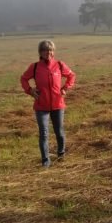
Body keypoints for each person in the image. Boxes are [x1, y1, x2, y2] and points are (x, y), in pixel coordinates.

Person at [20, 39, 76, 167]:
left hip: (58, 105)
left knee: (59, 131)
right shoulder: (34, 67)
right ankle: (45, 161)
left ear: (53, 52)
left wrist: (66, 88)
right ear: (40, 52)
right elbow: (23, 79)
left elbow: (72, 75)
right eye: (45, 50)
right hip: (41, 106)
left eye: (50, 50)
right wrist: (30, 90)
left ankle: (61, 154)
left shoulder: (60, 65)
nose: (48, 52)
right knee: (44, 133)